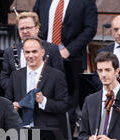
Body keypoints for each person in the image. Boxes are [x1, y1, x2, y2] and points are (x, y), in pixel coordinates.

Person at [33, 0, 97, 128]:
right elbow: (34, 19)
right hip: (43, 56)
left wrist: (68, 50)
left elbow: (90, 29)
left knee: (68, 101)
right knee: (42, 95)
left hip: (70, 59)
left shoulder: (86, 2)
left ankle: (66, 136)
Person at [5, 37, 68, 128]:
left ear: (42, 52)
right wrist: (12, 107)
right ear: (23, 53)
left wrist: (43, 101)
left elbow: (63, 106)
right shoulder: (15, 76)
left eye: (34, 52)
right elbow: (7, 102)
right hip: (20, 129)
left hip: (46, 131)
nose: (30, 56)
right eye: (27, 52)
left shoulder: (56, 76)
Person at [0, 11, 64, 93]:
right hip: (18, 101)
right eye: (22, 28)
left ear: (37, 28)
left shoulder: (52, 49)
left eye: (28, 28)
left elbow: (59, 77)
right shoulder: (10, 51)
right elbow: (4, 78)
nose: (25, 31)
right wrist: (18, 89)